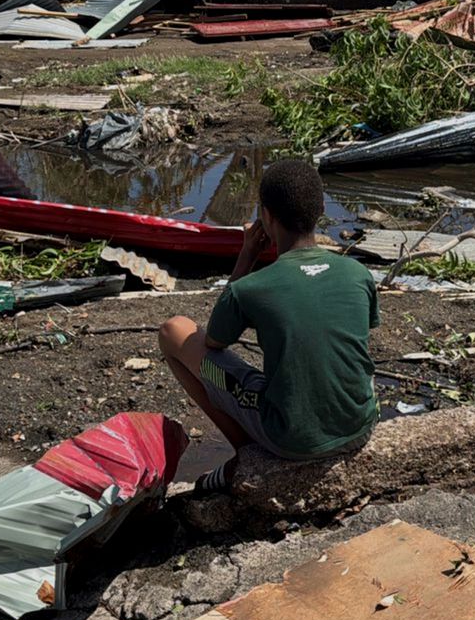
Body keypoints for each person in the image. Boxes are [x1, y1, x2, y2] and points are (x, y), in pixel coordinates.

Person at [158, 159, 379, 491]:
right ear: (320, 210)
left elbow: (215, 340)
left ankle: (245, 451)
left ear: (266, 215)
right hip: (360, 425)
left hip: (293, 437)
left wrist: (245, 257)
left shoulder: (253, 287)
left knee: (173, 332)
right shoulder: (358, 273)